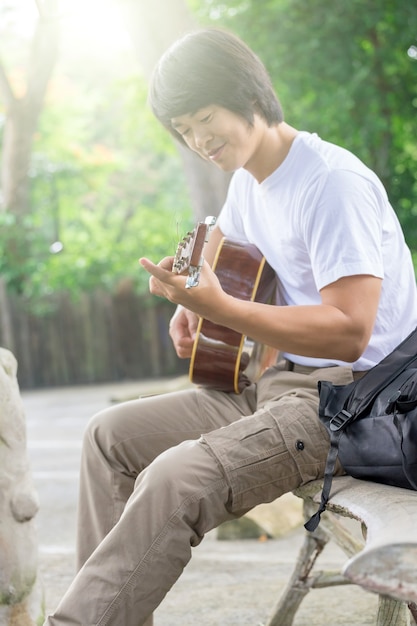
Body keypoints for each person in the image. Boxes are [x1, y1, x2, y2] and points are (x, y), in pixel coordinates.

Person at [44, 28, 417, 626]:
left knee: (175, 479)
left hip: (355, 399)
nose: (198, 140)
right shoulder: (249, 181)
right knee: (106, 436)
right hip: (276, 384)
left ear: (249, 97)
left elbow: (351, 329)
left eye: (205, 118)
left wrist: (224, 310)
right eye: (183, 129)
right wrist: (185, 301)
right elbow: (218, 258)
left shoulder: (331, 184)